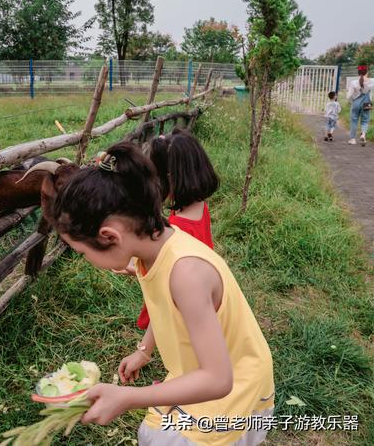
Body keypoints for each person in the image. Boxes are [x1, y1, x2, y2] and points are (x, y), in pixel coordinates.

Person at [42, 142, 274, 445]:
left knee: (157, 438)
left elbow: (219, 380)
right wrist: (144, 350)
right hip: (198, 373)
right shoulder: (151, 250)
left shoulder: (187, 274)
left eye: (82, 251)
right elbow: (164, 305)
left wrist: (128, 398)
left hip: (236, 393)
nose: (86, 260)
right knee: (151, 434)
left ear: (110, 236)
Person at [135, 129, 219, 331]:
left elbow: (166, 281)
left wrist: (134, 269)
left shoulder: (177, 229)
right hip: (202, 284)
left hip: (184, 304)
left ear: (169, 178)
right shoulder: (200, 206)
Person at [346, 65, 374, 146]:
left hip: (356, 103)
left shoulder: (354, 82)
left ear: (358, 73)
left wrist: (351, 102)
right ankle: (363, 135)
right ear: (367, 72)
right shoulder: (371, 81)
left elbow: (349, 96)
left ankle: (352, 139)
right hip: (367, 103)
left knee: (354, 120)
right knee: (365, 120)